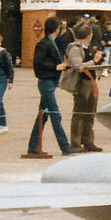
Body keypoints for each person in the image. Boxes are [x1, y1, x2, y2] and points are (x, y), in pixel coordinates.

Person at [28, 16, 73, 156]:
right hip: (45, 82)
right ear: (56, 29)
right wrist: (56, 67)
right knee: (55, 113)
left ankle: (33, 147)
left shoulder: (52, 42)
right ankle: (64, 146)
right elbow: (38, 63)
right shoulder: (43, 43)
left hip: (51, 82)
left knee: (43, 115)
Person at [67, 23, 103, 153]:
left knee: (90, 113)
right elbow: (79, 67)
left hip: (92, 82)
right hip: (81, 83)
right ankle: (76, 143)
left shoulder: (88, 49)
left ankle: (88, 141)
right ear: (89, 36)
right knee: (79, 113)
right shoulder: (75, 48)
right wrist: (94, 61)